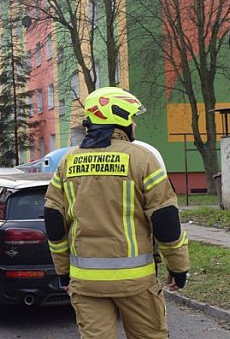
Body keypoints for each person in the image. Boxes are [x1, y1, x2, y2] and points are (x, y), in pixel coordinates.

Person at [44, 87, 189, 339]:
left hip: (85, 282)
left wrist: (63, 271)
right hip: (136, 282)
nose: (134, 124)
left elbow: (54, 221)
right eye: (132, 117)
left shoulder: (68, 162)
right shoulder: (142, 159)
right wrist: (178, 267)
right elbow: (166, 221)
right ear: (119, 117)